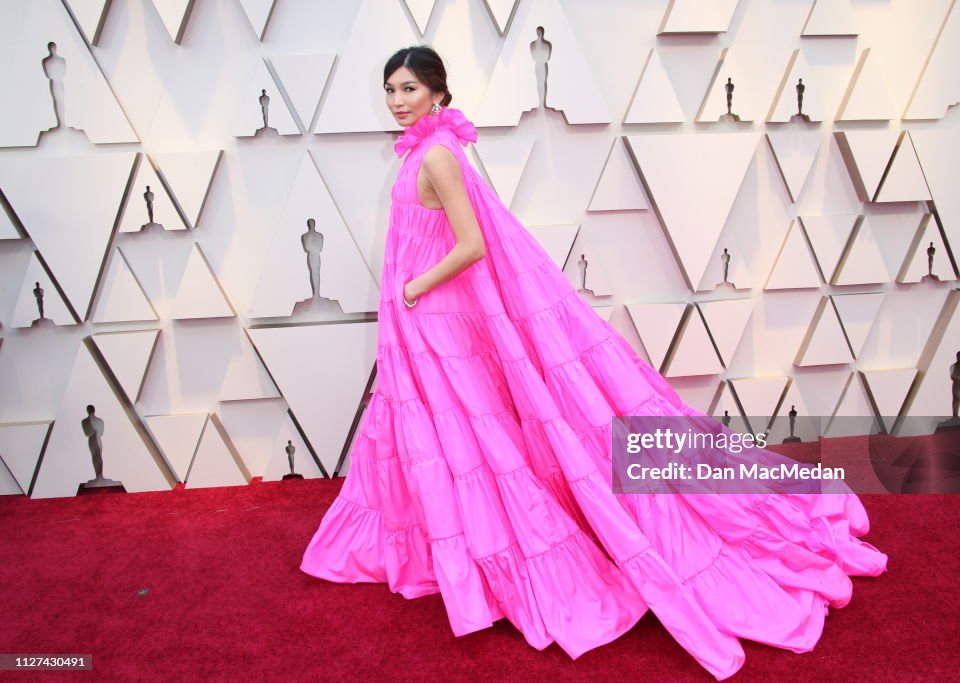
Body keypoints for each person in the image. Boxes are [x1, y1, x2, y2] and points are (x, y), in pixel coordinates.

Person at [300, 45, 888, 681]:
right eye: (389, 89)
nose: (396, 101)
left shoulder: (438, 154)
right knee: (450, 434)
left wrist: (414, 287)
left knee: (472, 434)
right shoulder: (424, 150)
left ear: (437, 92)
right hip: (430, 322)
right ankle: (440, 544)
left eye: (409, 89)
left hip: (435, 315)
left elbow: (469, 245)